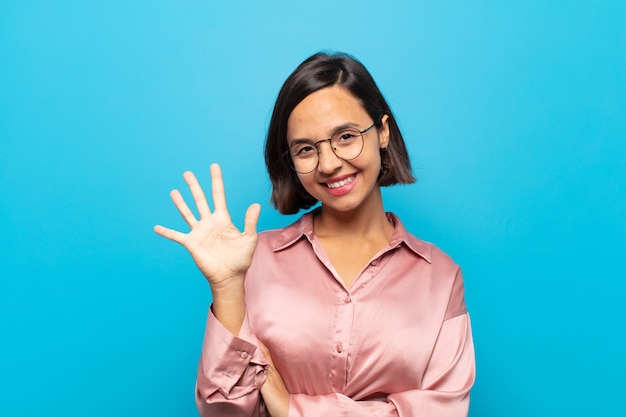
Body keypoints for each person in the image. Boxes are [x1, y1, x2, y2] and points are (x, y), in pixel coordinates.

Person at [154, 52, 475, 417]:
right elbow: (224, 413)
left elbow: (444, 410)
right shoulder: (251, 261)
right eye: (306, 149)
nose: (329, 164)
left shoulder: (440, 277)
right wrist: (227, 287)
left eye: (346, 136)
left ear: (383, 132)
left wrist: (292, 408)